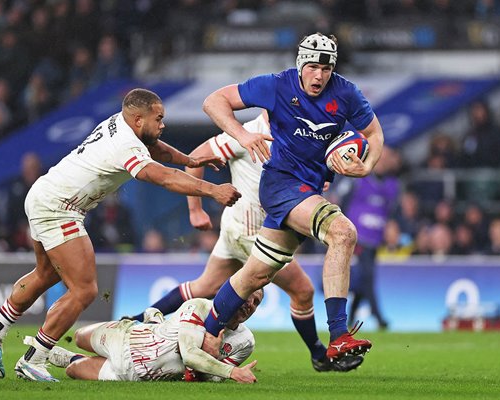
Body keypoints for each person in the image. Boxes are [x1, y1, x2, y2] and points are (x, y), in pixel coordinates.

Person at [0, 88, 241, 382]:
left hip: (44, 194)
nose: (163, 124)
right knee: (84, 290)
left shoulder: (121, 123)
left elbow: (155, 149)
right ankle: (34, 357)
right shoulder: (126, 145)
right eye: (159, 118)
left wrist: (190, 160)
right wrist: (213, 190)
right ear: (139, 119)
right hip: (60, 207)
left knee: (46, 274)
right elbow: (162, 176)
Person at [127, 111, 363, 372]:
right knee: (303, 291)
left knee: (204, 286)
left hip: (236, 226)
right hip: (251, 231)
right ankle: (319, 355)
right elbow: (196, 158)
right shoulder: (245, 134)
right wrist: (195, 210)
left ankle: (138, 321)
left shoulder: (297, 135)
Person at [199, 33, 384, 364]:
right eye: (312, 66)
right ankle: (338, 336)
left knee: (253, 276)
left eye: (326, 68)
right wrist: (242, 134)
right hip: (280, 184)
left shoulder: (346, 92)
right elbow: (213, 101)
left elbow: (374, 133)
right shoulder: (276, 85)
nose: (319, 75)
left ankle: (205, 338)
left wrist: (365, 166)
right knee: (343, 233)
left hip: (309, 191)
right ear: (301, 64)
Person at [46, 290, 263, 383]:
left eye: (257, 303)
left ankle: (70, 358)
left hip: (136, 375)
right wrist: (232, 371)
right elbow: (189, 356)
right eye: (248, 297)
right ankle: (153, 323)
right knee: (78, 337)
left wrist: (215, 359)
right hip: (125, 338)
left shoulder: (245, 342)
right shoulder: (199, 306)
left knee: (72, 370)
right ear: (236, 294)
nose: (250, 305)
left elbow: (212, 378)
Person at [335, 146, 401, 330]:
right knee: (368, 276)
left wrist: (391, 227)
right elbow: (340, 200)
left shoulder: (392, 185)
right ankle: (379, 318)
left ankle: (351, 318)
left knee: (364, 279)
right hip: (358, 236)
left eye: (386, 159)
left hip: (375, 238)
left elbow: (392, 212)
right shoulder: (356, 180)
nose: (383, 162)